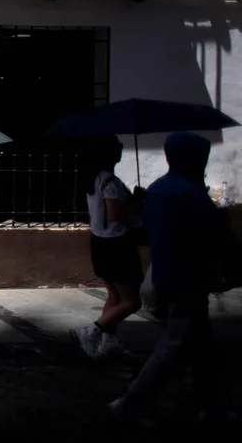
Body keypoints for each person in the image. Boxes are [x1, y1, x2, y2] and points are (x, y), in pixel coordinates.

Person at [110, 132, 237, 426]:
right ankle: (133, 401)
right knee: (175, 345)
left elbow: (146, 230)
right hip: (188, 278)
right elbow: (215, 236)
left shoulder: (160, 189)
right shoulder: (190, 193)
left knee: (200, 346)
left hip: (167, 274)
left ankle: (209, 403)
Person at [71, 136, 144, 359]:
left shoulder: (94, 180)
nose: (121, 150)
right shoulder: (110, 183)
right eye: (117, 147)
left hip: (100, 243)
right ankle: (91, 331)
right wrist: (136, 202)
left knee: (114, 297)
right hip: (116, 245)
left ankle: (108, 343)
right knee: (132, 301)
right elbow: (115, 215)